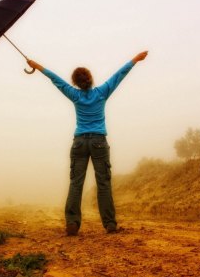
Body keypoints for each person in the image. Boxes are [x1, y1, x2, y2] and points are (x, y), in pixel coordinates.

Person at [27, 51, 148, 235]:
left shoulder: (74, 95)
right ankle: (110, 224)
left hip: (80, 143)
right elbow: (119, 75)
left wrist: (37, 66)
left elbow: (55, 79)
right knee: (104, 184)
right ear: (90, 79)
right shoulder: (102, 92)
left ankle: (72, 223)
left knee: (76, 183)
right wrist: (135, 60)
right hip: (99, 141)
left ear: (75, 82)